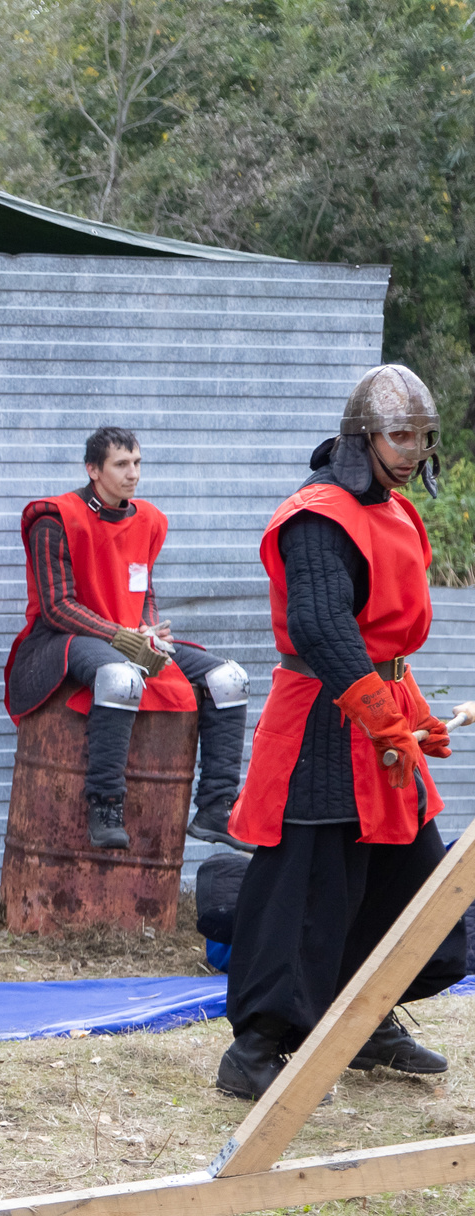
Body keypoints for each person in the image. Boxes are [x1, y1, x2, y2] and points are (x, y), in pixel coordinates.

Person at [215, 364, 466, 1099]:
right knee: (308, 888)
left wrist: (410, 713)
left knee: (415, 885)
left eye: (423, 435)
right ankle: (257, 1051)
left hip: (380, 718)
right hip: (322, 723)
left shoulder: (397, 512)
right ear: (364, 435)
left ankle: (363, 1018)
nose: (414, 448)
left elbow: (386, 638)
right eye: (400, 433)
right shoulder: (316, 516)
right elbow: (322, 630)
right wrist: (384, 714)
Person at [4, 427, 250, 851]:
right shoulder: (54, 519)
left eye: (136, 463)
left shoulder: (148, 520)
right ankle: (105, 804)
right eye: (121, 464)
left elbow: (143, 592)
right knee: (121, 678)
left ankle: (216, 806)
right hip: (60, 640)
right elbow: (57, 607)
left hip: (123, 633)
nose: (132, 473)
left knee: (231, 678)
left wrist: (148, 630)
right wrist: (121, 638)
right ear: (93, 470)